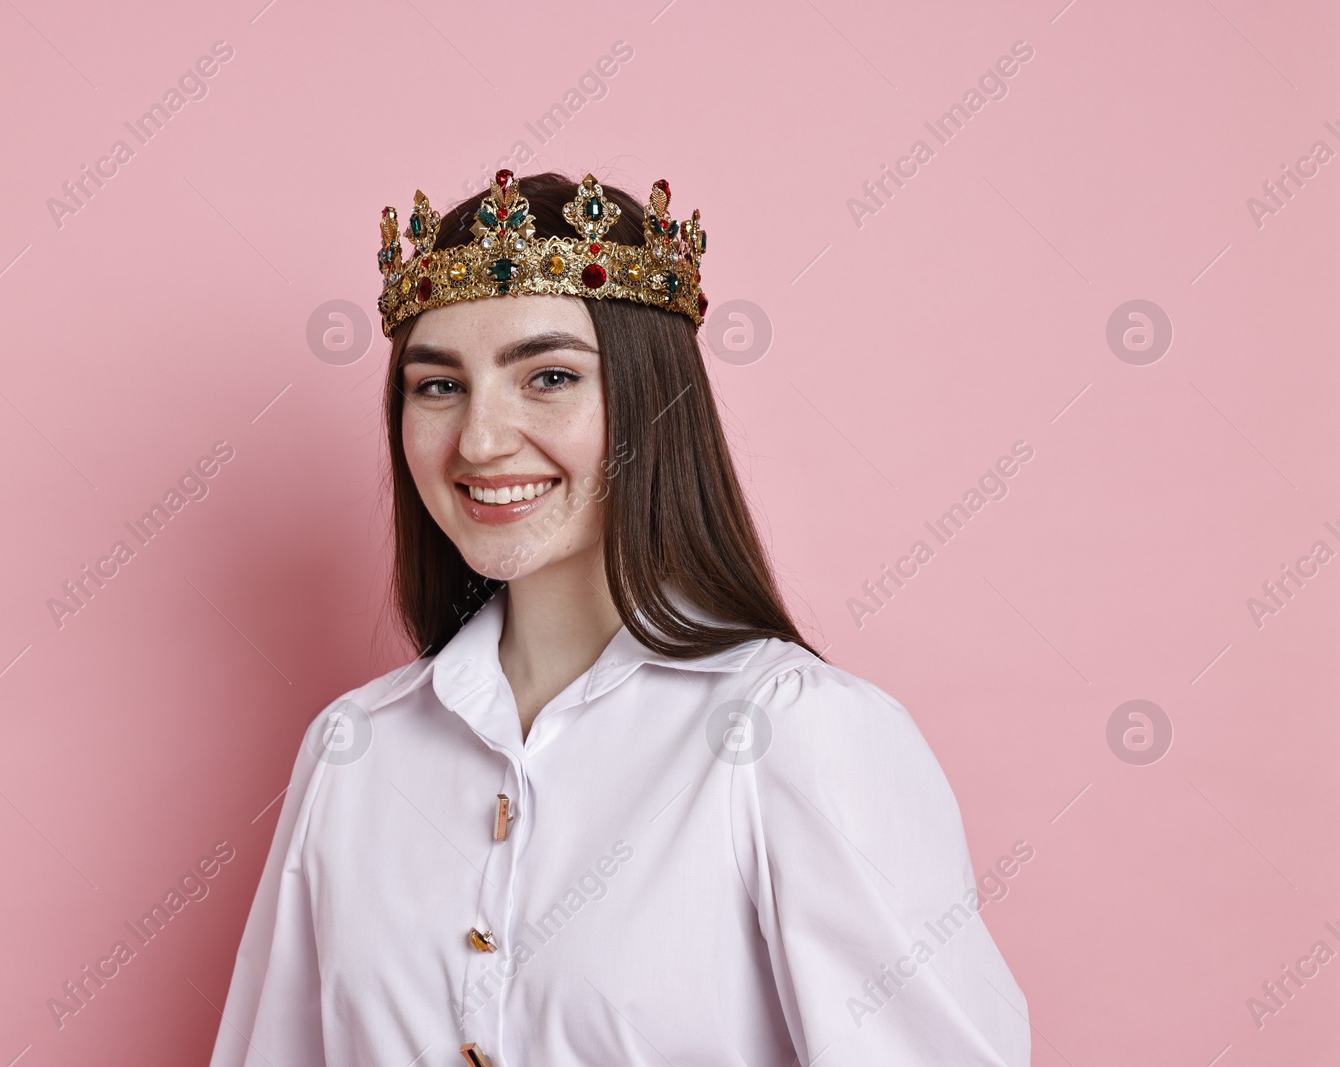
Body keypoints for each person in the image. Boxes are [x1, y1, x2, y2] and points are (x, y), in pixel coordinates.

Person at [208, 170, 1029, 1067]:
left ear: (652, 401)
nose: (480, 439)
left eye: (549, 376)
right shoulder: (354, 750)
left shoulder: (793, 732)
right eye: (437, 386)